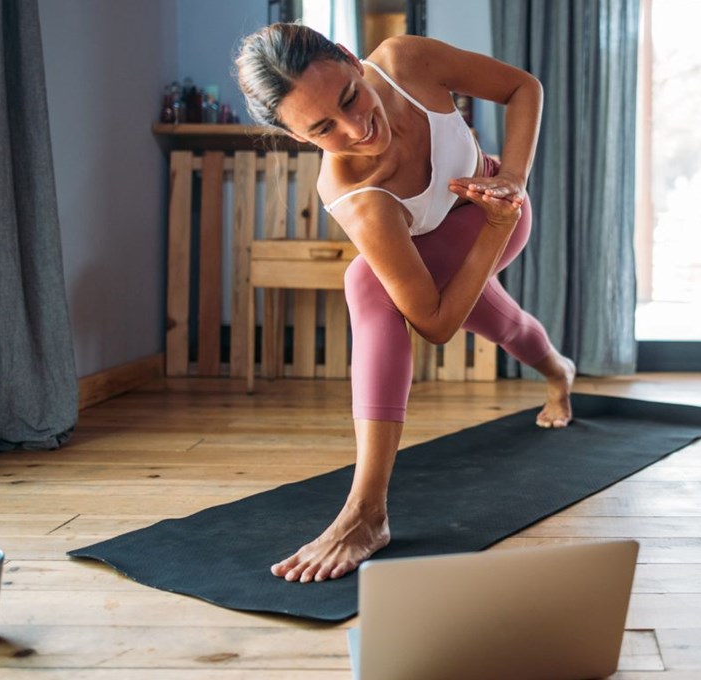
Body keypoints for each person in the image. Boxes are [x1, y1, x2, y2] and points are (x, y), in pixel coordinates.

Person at [234, 23, 576, 583]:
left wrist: (510, 184)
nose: (358, 127)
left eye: (349, 95)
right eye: (324, 129)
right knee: (498, 322)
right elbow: (437, 325)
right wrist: (495, 224)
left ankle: (366, 511)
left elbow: (524, 88)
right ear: (298, 137)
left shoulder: (405, 60)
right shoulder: (351, 192)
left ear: (349, 57)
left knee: (366, 282)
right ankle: (558, 371)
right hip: (454, 239)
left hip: (491, 204)